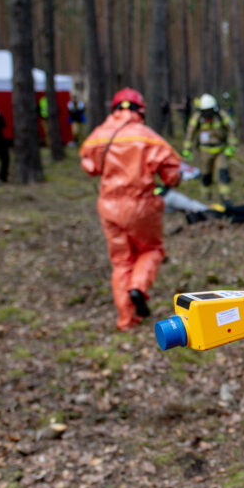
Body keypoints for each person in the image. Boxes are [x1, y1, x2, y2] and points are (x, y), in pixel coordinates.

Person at [80, 87, 182, 331]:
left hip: (109, 206)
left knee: (121, 261)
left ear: (114, 108)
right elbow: (172, 171)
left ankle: (126, 319)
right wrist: (169, 181)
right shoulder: (147, 136)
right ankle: (138, 288)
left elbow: (89, 165)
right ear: (140, 110)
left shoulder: (97, 135)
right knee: (152, 250)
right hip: (141, 206)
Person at [182, 92, 237, 203]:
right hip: (204, 152)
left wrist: (231, 147)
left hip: (220, 150)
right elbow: (190, 133)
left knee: (223, 173)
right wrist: (187, 149)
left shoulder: (221, 116)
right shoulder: (198, 118)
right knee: (206, 175)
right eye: (204, 111)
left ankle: (225, 198)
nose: (207, 114)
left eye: (209, 111)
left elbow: (232, 130)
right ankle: (206, 198)